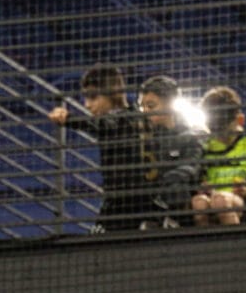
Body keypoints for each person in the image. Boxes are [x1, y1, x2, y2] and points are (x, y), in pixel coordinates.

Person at [48, 64, 147, 236]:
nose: (87, 105)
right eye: (86, 98)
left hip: (128, 208)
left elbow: (104, 124)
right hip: (118, 205)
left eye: (93, 97)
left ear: (112, 92)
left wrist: (69, 119)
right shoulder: (128, 118)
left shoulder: (125, 119)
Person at [136, 77, 206, 230]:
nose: (145, 111)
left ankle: (174, 221)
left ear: (170, 105)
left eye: (151, 106)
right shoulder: (143, 139)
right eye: (142, 107)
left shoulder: (190, 136)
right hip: (150, 203)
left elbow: (192, 166)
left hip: (181, 200)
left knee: (176, 180)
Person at [191, 86, 246, 228]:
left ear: (240, 120)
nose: (220, 137)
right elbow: (200, 182)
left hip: (245, 207)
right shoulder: (204, 148)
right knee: (199, 203)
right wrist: (204, 188)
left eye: (225, 131)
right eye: (215, 132)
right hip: (213, 200)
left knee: (221, 201)